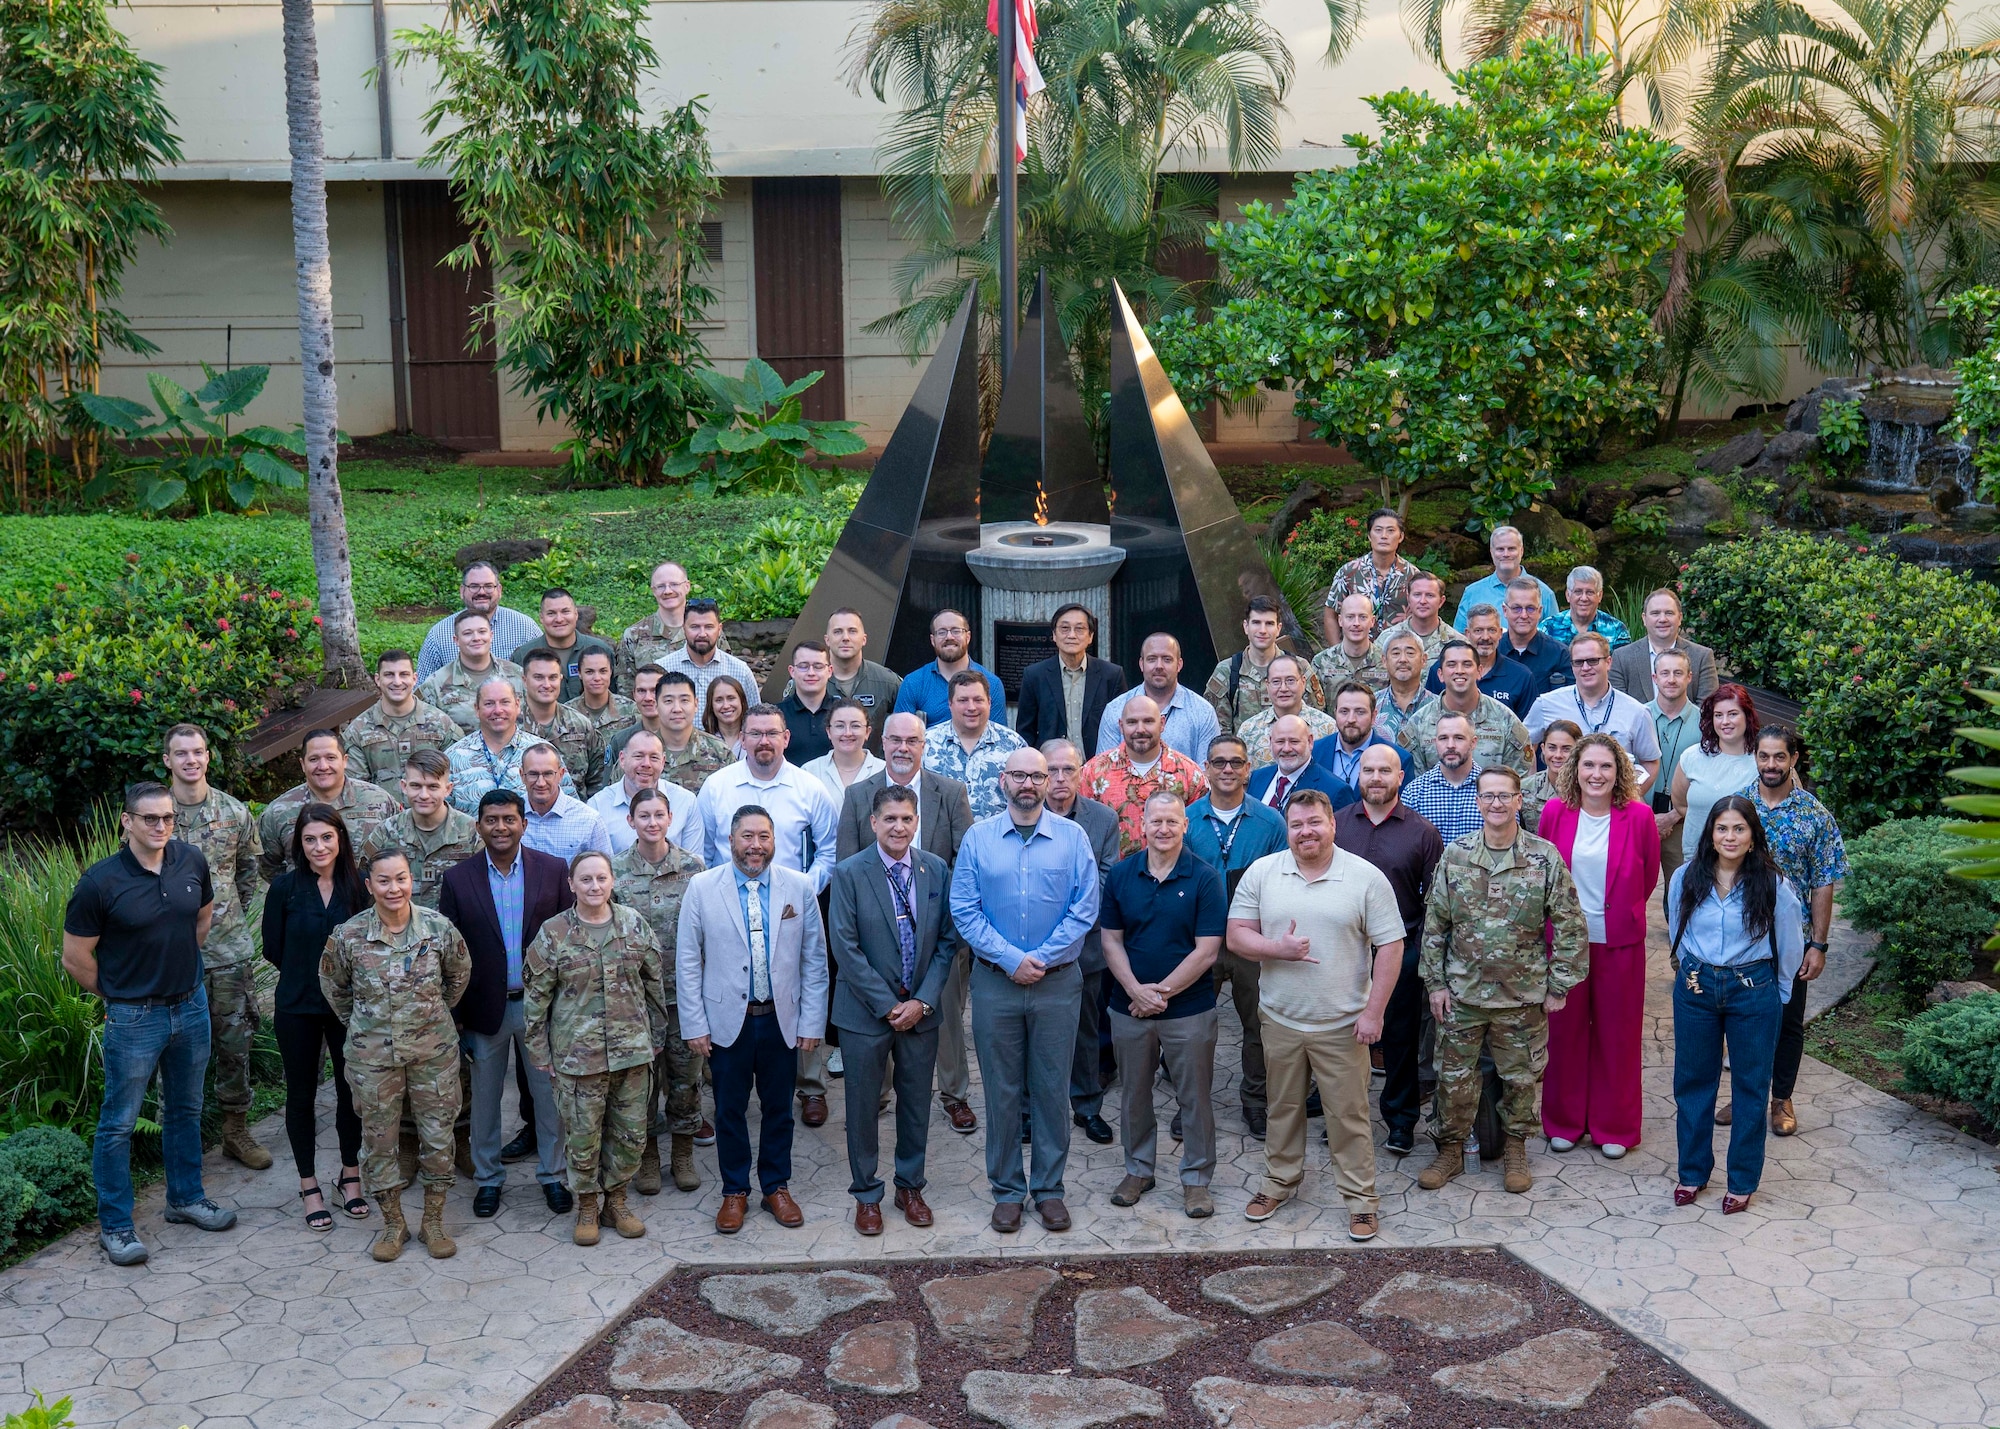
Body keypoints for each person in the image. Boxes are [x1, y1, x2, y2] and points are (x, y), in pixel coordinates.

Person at [63, 783, 235, 1265]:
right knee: (118, 1123)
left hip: (190, 1005)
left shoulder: (190, 861)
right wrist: (120, 994)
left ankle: (185, 1199)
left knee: (184, 1109)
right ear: (127, 822)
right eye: (149, 819)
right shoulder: (100, 882)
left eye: (167, 818)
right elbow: (75, 958)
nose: (161, 827)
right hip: (134, 1015)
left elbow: (200, 920)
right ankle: (116, 1226)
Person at [1228, 789, 1406, 1239]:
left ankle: (1361, 1200)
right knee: (1283, 1108)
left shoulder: (1365, 878)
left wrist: (1374, 1013)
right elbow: (1236, 936)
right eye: (1296, 824)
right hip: (1281, 1018)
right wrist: (1276, 949)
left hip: (1343, 1025)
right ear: (1286, 829)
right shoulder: (1264, 872)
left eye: (1314, 822)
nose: (1305, 832)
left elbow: (1391, 945)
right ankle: (1279, 1182)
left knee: (1348, 1117)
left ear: (1333, 824)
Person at [1417, 767, 1588, 1195]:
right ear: (1477, 802)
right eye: (1488, 796)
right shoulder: (1455, 855)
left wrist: (1558, 985)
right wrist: (1435, 983)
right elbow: (1435, 924)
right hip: (1462, 993)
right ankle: (1451, 1149)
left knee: (1520, 1079)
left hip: (1522, 995)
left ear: (1518, 801)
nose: (1496, 803)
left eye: (1504, 796)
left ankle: (1515, 1148)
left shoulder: (1544, 857)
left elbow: (1569, 924)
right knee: (1453, 1078)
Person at [951, 748, 1101, 1233]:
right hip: (996, 984)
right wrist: (1012, 959)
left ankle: (1050, 1190)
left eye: (1039, 775)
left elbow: (1084, 908)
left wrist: (1041, 958)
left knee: (1052, 1090)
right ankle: (1008, 1191)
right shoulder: (978, 839)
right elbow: (964, 909)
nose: (1030, 783)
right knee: (1001, 1090)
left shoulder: (1073, 838)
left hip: (1058, 984)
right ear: (1003, 780)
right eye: (1020, 774)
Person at [678, 806, 829, 1234]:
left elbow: (814, 960)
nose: (755, 845)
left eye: (763, 836)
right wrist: (695, 1024)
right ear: (730, 840)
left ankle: (775, 1186)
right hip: (728, 1020)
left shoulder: (798, 888)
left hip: (780, 1019)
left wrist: (811, 1023)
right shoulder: (703, 887)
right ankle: (734, 1190)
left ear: (774, 840)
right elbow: (689, 960)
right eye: (747, 836)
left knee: (779, 1108)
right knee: (729, 1108)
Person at [320, 847, 472, 1261]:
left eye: (401, 878)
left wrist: (429, 1015)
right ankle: (392, 1223)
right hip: (373, 1060)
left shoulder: (438, 930)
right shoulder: (348, 936)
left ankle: (434, 1220)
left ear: (411, 880)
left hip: (433, 1053)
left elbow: (458, 977)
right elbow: (335, 989)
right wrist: (370, 1025)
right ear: (369, 886)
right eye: (383, 880)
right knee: (378, 1142)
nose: (394, 888)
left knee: (439, 1139)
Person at [694, 704, 841, 1120]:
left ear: (786, 738)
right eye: (754, 733)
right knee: (733, 985)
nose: (763, 741)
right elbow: (704, 850)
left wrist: (803, 894)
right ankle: (730, 1080)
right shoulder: (718, 786)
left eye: (771, 733)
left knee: (797, 984)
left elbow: (829, 850)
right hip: (730, 906)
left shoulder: (808, 787)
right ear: (741, 739)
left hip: (790, 911)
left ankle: (809, 1086)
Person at [827, 785, 961, 1234]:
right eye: (890, 819)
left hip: (921, 1013)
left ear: (917, 821)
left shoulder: (935, 869)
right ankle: (867, 1194)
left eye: (906, 819)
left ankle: (910, 1185)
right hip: (866, 1014)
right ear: (873, 823)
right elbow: (844, 947)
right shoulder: (849, 872)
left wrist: (921, 1002)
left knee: (916, 1104)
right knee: (863, 1107)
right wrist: (888, 1006)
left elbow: (947, 942)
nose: (898, 827)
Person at [836, 712, 979, 1131]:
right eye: (895, 739)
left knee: (945, 1015)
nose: (903, 748)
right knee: (877, 1011)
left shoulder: (949, 792)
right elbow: (847, 864)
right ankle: (878, 1093)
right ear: (882, 743)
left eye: (911, 741)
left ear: (923, 746)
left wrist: (947, 932)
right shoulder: (860, 795)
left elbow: (963, 863)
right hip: (877, 935)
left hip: (937, 935)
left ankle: (954, 1096)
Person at [438, 790, 577, 1219]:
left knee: (548, 1099)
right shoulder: (458, 879)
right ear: (478, 826)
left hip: (541, 1009)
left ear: (524, 824)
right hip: (484, 1010)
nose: (501, 827)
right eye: (492, 820)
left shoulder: (553, 871)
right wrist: (456, 1018)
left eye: (509, 819)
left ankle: (553, 1176)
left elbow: (569, 940)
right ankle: (488, 1179)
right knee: (484, 1100)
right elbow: (449, 954)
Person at [524, 849, 670, 1246]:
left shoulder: (634, 925)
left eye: (601, 878)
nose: (594, 886)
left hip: (632, 1053)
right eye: (585, 879)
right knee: (583, 1137)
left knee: (629, 1134)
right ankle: (587, 1204)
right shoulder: (553, 933)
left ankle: (617, 1202)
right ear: (571, 884)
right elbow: (536, 999)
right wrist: (540, 1052)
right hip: (577, 1056)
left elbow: (655, 986)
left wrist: (656, 1037)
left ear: (612, 881)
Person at [1668, 797, 1806, 1214]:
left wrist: (1778, 994)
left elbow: (1791, 943)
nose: (1730, 837)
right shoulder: (1685, 877)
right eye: (1722, 828)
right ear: (1710, 833)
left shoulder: (1774, 885)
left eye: (1739, 829)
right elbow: (1677, 926)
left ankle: (1743, 1179)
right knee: (1692, 1082)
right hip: (1697, 987)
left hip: (1753, 988)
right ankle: (1692, 1173)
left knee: (1750, 1086)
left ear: (1752, 837)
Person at [1101, 793, 1228, 1218]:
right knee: (1134, 1093)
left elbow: (1207, 951)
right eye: (1156, 821)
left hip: (1189, 1010)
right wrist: (1136, 991)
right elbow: (1110, 940)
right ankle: (1138, 1170)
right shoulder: (1121, 875)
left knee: (1194, 1098)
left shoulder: (1205, 878)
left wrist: (1159, 994)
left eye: (1172, 821)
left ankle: (1196, 1180)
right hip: (1128, 1007)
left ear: (1185, 826)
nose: (1164, 829)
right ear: (1142, 824)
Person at [1536, 734, 1660, 1160]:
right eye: (1588, 765)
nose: (1596, 774)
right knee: (1565, 1034)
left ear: (1619, 772)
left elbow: (1646, 880)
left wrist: (1615, 914)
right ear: (1574, 770)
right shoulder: (1555, 812)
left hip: (1619, 943)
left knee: (1617, 1036)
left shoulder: (1640, 817)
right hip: (1567, 944)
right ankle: (1565, 1122)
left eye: (1606, 767)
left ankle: (1615, 1126)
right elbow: (1545, 876)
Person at [164, 723, 268, 1171]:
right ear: (167, 760)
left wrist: (224, 914)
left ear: (208, 757)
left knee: (234, 1043)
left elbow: (248, 869)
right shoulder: (153, 813)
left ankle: (234, 1131)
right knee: (174, 1049)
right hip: (167, 956)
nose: (191, 760)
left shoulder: (232, 811)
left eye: (198, 751)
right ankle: (180, 1140)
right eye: (181, 753)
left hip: (227, 952)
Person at [261, 804, 367, 1232]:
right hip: (298, 1006)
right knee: (301, 1096)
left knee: (350, 1093)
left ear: (339, 839)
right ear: (298, 845)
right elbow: (273, 949)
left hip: (349, 1009)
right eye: (309, 839)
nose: (319, 846)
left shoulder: (360, 888)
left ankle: (350, 1176)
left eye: (326, 837)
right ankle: (309, 1186)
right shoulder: (284, 889)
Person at [1737, 727, 1846, 1138]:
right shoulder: (1739, 806)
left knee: (1787, 1021)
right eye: (1764, 756)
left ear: (1794, 759)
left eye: (1779, 757)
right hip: (1740, 936)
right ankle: (1748, 1094)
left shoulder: (1814, 816)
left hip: (1791, 939)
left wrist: (1817, 944)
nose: (1770, 765)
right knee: (1743, 1021)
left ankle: (1781, 1097)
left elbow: (1824, 882)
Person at [1334, 742, 1443, 1155]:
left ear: (1401, 778)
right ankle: (1343, 1118)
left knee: (1399, 1040)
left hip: (1398, 950)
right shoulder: (1338, 825)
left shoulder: (1422, 832)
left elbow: (1435, 901)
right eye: (1368, 770)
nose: (1376, 778)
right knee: (1343, 1039)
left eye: (1385, 771)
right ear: (1357, 776)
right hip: (1344, 949)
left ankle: (1400, 1121)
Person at [1185, 736, 1288, 1139]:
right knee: (1191, 1026)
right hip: (1199, 938)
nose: (1227, 770)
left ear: (1249, 770)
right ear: (1206, 769)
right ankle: (1190, 1103)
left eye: (1236, 763)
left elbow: (1282, 881)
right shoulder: (1187, 819)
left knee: (1257, 1025)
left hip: (1251, 938)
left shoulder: (1270, 822)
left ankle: (1256, 1102)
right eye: (1219, 763)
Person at [611, 787, 708, 1195]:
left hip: (684, 996)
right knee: (642, 1085)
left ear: (671, 819)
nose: (652, 823)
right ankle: (647, 1156)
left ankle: (682, 1153)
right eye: (643, 816)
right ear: (630, 822)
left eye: (659, 815)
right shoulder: (615, 871)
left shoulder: (694, 868)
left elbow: (708, 931)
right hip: (636, 1001)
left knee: (686, 1080)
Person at [1041, 739, 1122, 1145]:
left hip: (1086, 948)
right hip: (1031, 949)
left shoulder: (1103, 820)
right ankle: (1028, 1111)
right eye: (1050, 771)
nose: (1059, 779)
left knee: (1086, 1031)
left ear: (1081, 773)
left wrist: (1061, 920)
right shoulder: (1022, 814)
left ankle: (1087, 1107)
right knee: (1031, 1032)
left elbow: (1104, 882)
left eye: (1067, 770)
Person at [1525, 633, 1661, 793]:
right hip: (1558, 805)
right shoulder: (1545, 704)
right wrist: (1532, 792)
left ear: (1608, 662)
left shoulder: (1636, 711)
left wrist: (1627, 798)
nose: (1585, 668)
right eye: (1578, 662)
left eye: (1592, 661)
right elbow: (1524, 748)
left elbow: (1651, 762)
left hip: (1613, 807)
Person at [259, 728, 401, 879]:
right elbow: (268, 866)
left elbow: (399, 851)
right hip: (307, 899)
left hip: (367, 899)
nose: (323, 766)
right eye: (314, 759)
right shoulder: (279, 811)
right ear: (302, 764)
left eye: (331, 758)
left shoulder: (379, 801)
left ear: (345, 760)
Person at [1080, 695, 1209, 853]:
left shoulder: (1190, 774)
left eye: (1148, 721)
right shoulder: (1093, 773)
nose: (1140, 729)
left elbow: (1202, 835)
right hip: (1111, 876)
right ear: (1121, 726)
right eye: (1132, 722)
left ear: (1162, 724)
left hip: (1175, 875)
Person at [360, 749, 483, 909]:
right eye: (416, 786)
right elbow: (364, 879)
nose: (424, 795)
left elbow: (483, 886)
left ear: (448, 789)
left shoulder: (470, 832)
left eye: (433, 787)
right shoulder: (386, 832)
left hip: (455, 930)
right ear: (404, 786)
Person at [1401, 640, 1534, 779]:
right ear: (1440, 674)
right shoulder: (1418, 724)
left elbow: (1520, 782)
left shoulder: (1506, 721)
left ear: (1479, 672)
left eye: (1467, 664)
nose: (1459, 671)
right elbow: (1412, 783)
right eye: (1452, 665)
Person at [443, 678, 576, 814]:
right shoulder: (454, 757)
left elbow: (570, 809)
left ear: (517, 705)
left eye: (505, 702)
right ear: (477, 709)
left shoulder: (545, 753)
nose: (498, 710)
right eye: (489, 704)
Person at [1670, 684, 1761, 874]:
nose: (1725, 721)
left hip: (1746, 866)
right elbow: (1679, 803)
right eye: (1718, 715)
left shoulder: (1761, 761)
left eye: (1733, 714)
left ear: (1747, 716)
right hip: (1697, 861)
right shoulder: (1692, 757)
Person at [1204, 596, 1324, 736]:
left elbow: (1317, 719)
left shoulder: (1300, 667)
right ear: (1246, 626)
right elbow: (1218, 730)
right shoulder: (1227, 672)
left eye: (1269, 623)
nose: (1262, 630)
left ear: (1278, 628)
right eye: (1256, 622)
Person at [343, 649, 462, 788]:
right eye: (389, 675)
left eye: (404, 674)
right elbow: (357, 788)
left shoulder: (441, 724)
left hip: (429, 807)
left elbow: (457, 777)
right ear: (377, 679)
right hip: (381, 809)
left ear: (414, 678)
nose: (397, 682)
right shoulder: (358, 731)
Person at [1016, 603, 1125, 755]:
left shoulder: (1111, 675)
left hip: (1098, 766)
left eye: (1079, 629)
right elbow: (1025, 731)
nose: (1072, 635)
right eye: (1065, 628)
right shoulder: (1035, 675)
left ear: (1090, 636)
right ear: (1054, 635)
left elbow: (1121, 726)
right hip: (1051, 769)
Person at [1096, 633, 1221, 764]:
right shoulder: (1116, 710)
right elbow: (1103, 772)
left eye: (1167, 659)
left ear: (1179, 665)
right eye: (1152, 659)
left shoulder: (1203, 712)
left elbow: (1207, 775)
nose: (1159, 666)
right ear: (1141, 664)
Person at [924, 671, 1029, 820]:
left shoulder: (1013, 745)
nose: (971, 707)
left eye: (978, 700)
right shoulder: (926, 744)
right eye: (963, 700)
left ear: (989, 702)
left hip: (997, 839)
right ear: (950, 704)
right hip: (942, 841)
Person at [416, 560, 542, 683]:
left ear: (499, 590)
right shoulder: (439, 635)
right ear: (462, 591)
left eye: (488, 586)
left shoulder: (525, 628)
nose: (481, 592)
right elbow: (422, 688)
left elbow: (545, 674)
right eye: (474, 586)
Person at [589, 729, 700, 856]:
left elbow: (695, 864)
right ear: (622, 759)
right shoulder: (598, 806)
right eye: (639, 756)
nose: (646, 764)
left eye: (654, 757)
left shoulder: (685, 802)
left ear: (663, 762)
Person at [420, 610, 528, 736]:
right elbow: (425, 733)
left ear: (491, 635)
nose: (476, 638)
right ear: (456, 640)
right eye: (467, 633)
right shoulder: (435, 684)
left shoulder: (518, 675)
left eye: (482, 632)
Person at [893, 608, 1006, 725]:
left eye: (956, 631)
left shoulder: (991, 683)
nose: (949, 637)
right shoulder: (913, 683)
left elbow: (998, 736)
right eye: (941, 632)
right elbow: (901, 733)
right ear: (932, 640)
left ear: (968, 637)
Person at [520, 648, 609, 798]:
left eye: (553, 677)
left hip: (573, 816)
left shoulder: (581, 725)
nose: (547, 684)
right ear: (524, 680)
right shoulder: (510, 726)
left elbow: (598, 782)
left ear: (560, 678)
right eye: (539, 677)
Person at [1645, 651, 1702, 878]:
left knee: (1681, 893)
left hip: (1683, 823)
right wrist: (1647, 816)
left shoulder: (1705, 723)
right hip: (1639, 819)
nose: (1671, 679)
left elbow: (1705, 776)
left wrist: (1672, 816)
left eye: (1678, 673)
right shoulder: (1638, 715)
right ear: (1654, 677)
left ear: (1689, 677)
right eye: (1665, 673)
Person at [1610, 587, 1718, 704]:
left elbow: (1707, 708)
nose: (1662, 619)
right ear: (1644, 619)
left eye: (1669, 613)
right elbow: (1619, 708)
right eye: (1655, 613)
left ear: (1680, 618)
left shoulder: (1702, 657)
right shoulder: (1622, 657)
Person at [1423, 605, 1536, 717]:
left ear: (1500, 633)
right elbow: (1429, 718)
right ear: (1467, 634)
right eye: (1478, 630)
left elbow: (1528, 730)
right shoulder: (1443, 671)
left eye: (1491, 630)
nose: (1485, 637)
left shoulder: (1521, 676)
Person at [819, 608, 903, 752]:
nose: (845, 637)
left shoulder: (888, 682)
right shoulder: (810, 681)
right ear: (827, 639)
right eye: (838, 631)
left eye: (852, 631)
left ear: (864, 639)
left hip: (875, 770)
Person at [513, 587, 617, 702]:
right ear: (541, 618)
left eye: (565, 612)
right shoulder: (523, 656)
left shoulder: (601, 650)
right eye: (551, 613)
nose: (559, 619)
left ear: (576, 614)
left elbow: (613, 697)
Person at [1322, 508, 1421, 628]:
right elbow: (1330, 615)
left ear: (1401, 536)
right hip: (1357, 645)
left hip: (1399, 645)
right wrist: (1339, 647)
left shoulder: (1413, 575)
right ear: (1369, 535)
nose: (1384, 536)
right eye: (1378, 530)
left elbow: (1422, 615)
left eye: (1390, 530)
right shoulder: (1348, 572)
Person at [619, 560, 708, 689]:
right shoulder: (634, 635)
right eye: (660, 586)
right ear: (653, 591)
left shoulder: (707, 631)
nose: (667, 591)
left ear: (687, 586)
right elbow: (626, 689)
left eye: (674, 584)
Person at [1237, 656, 1337, 769]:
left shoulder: (1328, 727)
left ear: (1303, 682)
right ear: (1267, 685)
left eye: (1290, 680)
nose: (1283, 688)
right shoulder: (1249, 731)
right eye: (1276, 682)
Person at [1401, 711, 1485, 843]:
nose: (1450, 745)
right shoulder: (1414, 793)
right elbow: (1405, 845)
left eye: (1459, 738)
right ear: (1435, 742)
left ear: (1473, 742)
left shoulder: (1491, 790)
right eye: (1443, 738)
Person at [521, 743, 613, 863]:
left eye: (548, 774)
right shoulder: (510, 817)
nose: (541, 783)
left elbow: (605, 872)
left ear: (561, 774)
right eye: (533, 774)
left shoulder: (589, 821)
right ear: (522, 775)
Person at [1453, 525, 1558, 630]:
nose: (1506, 554)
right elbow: (1459, 638)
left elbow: (1555, 638)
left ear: (1521, 551)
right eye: (1500, 549)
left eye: (1511, 549)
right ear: (1492, 552)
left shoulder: (1544, 593)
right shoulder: (1473, 593)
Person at [1313, 683, 1414, 791]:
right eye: (1344, 711)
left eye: (1360, 712)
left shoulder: (1400, 759)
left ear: (1374, 716)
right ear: (1335, 713)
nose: (1351, 719)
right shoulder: (1314, 752)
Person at [661, 598, 760, 708]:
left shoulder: (741, 671)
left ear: (719, 629)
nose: (702, 634)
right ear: (684, 628)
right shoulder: (664, 668)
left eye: (709, 627)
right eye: (695, 627)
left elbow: (755, 719)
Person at [1247, 715, 1354, 812]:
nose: (1286, 749)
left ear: (1310, 741)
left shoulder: (1335, 790)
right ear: (1270, 742)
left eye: (1294, 741)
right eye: (1280, 742)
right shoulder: (1258, 777)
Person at [649, 669, 734, 792]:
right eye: (668, 701)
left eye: (684, 700)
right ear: (656, 706)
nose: (677, 709)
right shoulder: (639, 752)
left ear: (696, 704)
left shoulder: (721, 752)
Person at [1498, 579, 1574, 704]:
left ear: (1540, 611)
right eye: (1516, 608)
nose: (1523, 615)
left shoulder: (1559, 655)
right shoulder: (1493, 652)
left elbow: (1569, 703)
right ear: (1505, 611)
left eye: (1530, 608)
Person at [1312, 592, 1391, 700]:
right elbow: (1316, 709)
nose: (1356, 623)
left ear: (1372, 621)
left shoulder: (1386, 662)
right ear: (1340, 620)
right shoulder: (1321, 662)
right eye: (1350, 617)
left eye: (1362, 617)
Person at [802, 698, 883, 797]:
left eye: (855, 726)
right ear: (829, 732)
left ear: (867, 732)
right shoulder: (810, 771)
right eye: (840, 726)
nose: (847, 733)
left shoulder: (884, 771)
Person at [777, 640, 837, 767]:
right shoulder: (777, 715)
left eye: (818, 666)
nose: (811, 673)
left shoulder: (843, 713)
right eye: (803, 666)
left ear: (830, 671)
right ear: (792, 671)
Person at [1539, 565, 1629, 648]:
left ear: (1600, 596)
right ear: (1568, 595)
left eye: (1590, 592)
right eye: (1578, 591)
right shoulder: (1548, 628)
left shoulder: (1616, 630)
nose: (1584, 598)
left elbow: (1622, 665)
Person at [1372, 630, 1436, 747]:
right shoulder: (1371, 705)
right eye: (1396, 653)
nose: (1403, 659)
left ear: (1424, 660)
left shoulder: (1437, 706)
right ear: (1384, 660)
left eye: (1410, 653)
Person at [1374, 572, 1451, 668]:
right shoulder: (1386, 639)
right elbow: (1375, 678)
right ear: (1408, 599)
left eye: (1430, 595)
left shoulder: (1456, 642)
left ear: (1441, 601)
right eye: (1417, 595)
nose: (1423, 601)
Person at [1519, 720, 1580, 837]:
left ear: (1579, 751)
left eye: (1566, 749)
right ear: (1543, 748)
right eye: (1552, 748)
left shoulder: (1588, 790)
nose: (1558, 755)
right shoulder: (1524, 788)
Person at [566, 649, 639, 741]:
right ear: (579, 673)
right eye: (589, 672)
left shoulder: (631, 710)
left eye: (603, 671)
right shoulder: (567, 714)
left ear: (611, 672)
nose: (597, 678)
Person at [704, 674, 750, 757]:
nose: (726, 706)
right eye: (719, 700)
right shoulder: (702, 742)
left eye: (731, 698)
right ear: (711, 706)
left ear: (742, 701)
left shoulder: (756, 739)